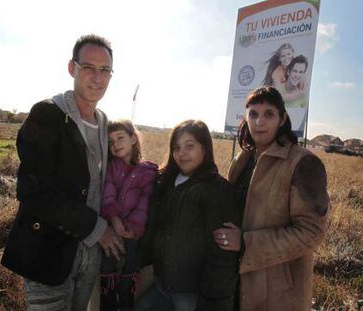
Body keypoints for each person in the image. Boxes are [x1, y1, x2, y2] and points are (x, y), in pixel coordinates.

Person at [1, 34, 125, 310]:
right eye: (88, 68)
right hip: (47, 253)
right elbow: (34, 192)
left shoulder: (106, 123)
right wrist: (97, 228)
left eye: (104, 70)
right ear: (72, 68)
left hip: (88, 259)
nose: (97, 77)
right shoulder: (48, 114)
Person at [213, 86, 329, 311]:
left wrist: (246, 243)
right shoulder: (242, 159)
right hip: (236, 282)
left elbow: (311, 233)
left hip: (279, 292)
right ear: (245, 118)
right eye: (253, 114)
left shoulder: (304, 164)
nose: (259, 121)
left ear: (282, 118)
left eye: (269, 114)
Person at [135, 120, 240, 311]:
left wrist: (214, 302)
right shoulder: (164, 182)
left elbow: (222, 254)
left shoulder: (217, 189)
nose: (181, 153)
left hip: (192, 295)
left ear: (205, 148)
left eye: (189, 146)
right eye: (176, 148)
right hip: (160, 284)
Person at [100, 120, 158, 311]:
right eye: (110, 141)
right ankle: (108, 303)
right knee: (108, 270)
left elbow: (144, 203)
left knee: (130, 271)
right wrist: (115, 220)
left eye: (120, 138)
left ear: (133, 139)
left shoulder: (147, 172)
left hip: (133, 233)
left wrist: (132, 228)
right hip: (111, 228)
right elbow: (107, 194)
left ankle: (126, 300)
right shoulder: (110, 167)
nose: (115, 144)